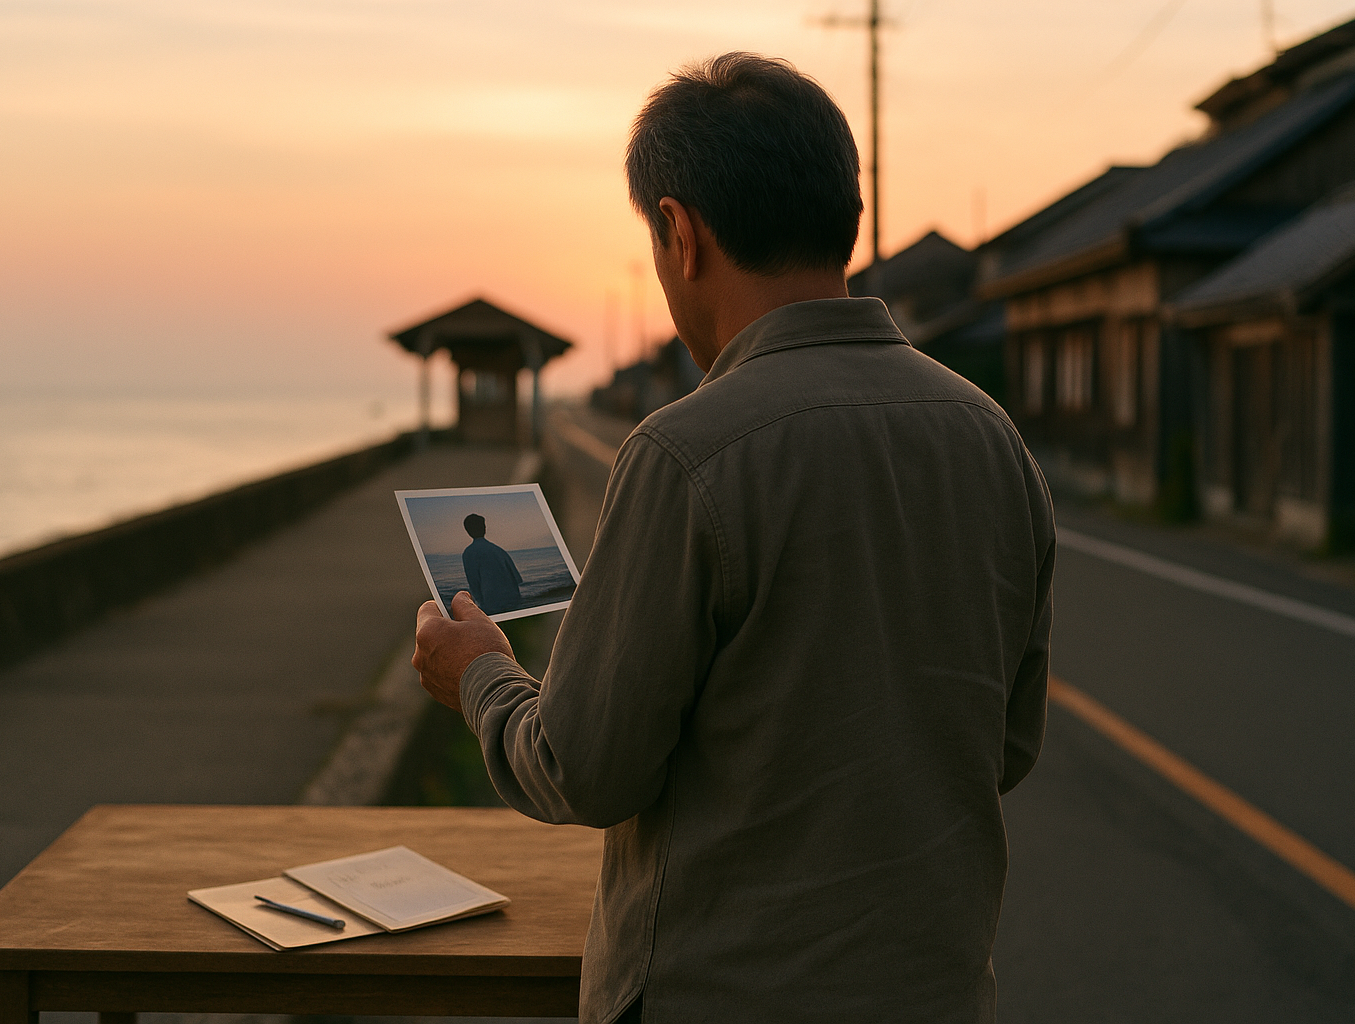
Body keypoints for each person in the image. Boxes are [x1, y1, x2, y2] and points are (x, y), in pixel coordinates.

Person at [414, 52, 1055, 1024]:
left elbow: (583, 768)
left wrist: (481, 675)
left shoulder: (685, 453)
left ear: (680, 233)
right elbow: (1004, 747)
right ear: (846, 215)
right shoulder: (991, 439)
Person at [459, 513, 524, 615]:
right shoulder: (498, 550)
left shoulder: (469, 553)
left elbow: (473, 581)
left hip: (492, 603)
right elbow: (516, 578)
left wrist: (479, 602)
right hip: (513, 599)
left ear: (468, 531)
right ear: (484, 528)